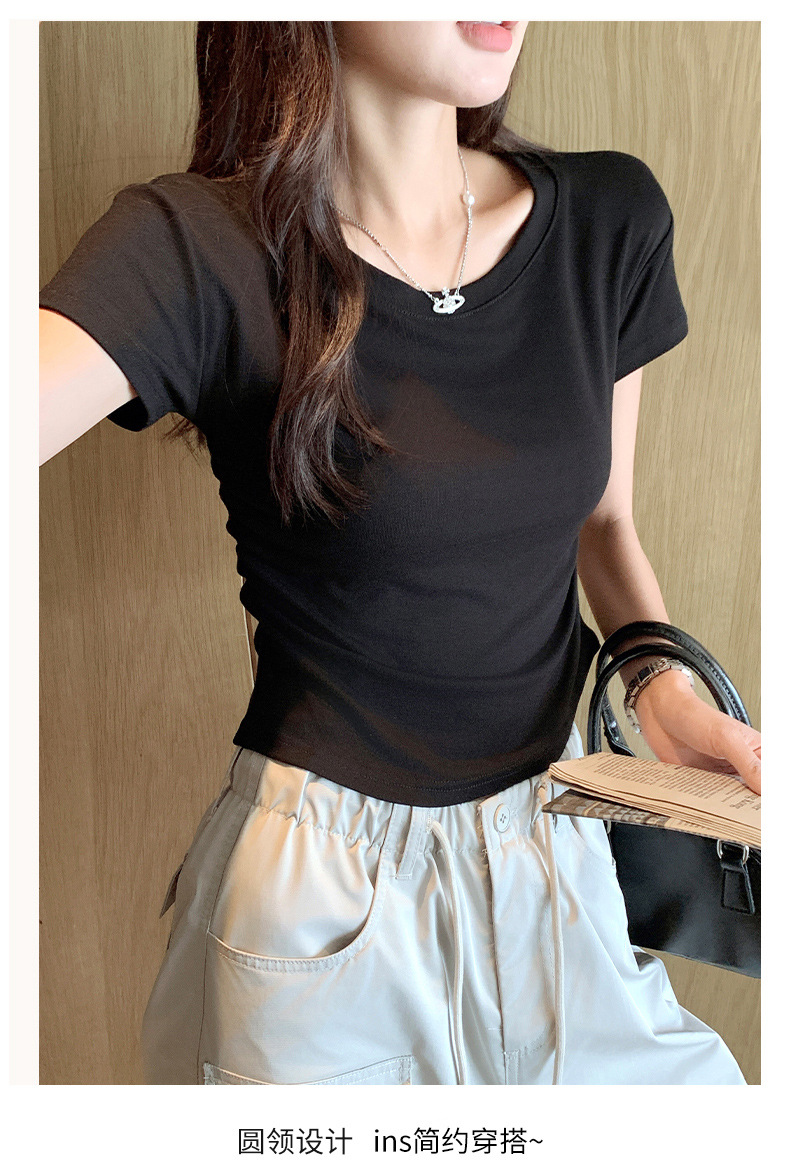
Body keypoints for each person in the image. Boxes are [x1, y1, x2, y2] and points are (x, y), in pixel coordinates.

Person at [39, 21, 760, 1086]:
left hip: (555, 852)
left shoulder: (606, 220)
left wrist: (663, 689)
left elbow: (604, 524)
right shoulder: (197, 247)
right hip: (322, 905)